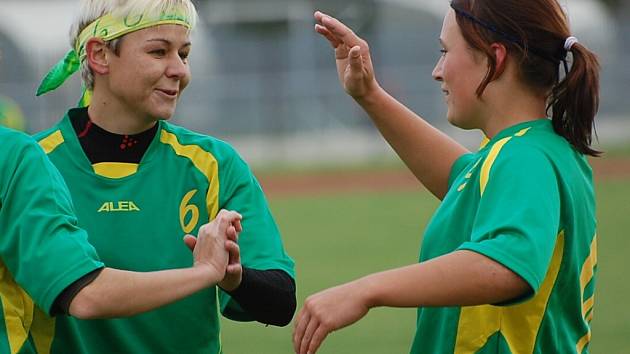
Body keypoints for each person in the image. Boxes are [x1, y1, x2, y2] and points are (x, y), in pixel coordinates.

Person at [294, 1, 599, 353]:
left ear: (495, 59)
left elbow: (508, 265)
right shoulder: (536, 150)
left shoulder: (524, 158)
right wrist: (370, 95)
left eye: (445, 51)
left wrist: (366, 290)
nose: (437, 71)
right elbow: (463, 180)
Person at [35, 0, 296, 353]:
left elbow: (280, 302)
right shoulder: (32, 167)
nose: (179, 70)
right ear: (99, 56)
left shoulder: (212, 164)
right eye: (159, 52)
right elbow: (80, 296)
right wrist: (202, 272)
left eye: (184, 54)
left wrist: (234, 276)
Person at [0, 125, 243, 354]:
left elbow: (277, 296)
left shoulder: (211, 162)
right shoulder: (15, 154)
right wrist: (208, 270)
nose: (180, 76)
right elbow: (85, 294)